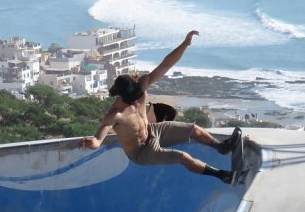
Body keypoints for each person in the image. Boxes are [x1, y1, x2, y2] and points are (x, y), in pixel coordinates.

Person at [79, 30, 240, 183]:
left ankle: (221, 147)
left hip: (152, 131)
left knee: (195, 130)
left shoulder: (140, 86)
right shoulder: (115, 115)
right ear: (121, 96)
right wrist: (90, 142)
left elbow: (165, 65)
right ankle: (222, 176)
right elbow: (98, 140)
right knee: (183, 157)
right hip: (141, 152)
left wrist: (185, 44)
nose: (138, 98)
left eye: (137, 93)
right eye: (133, 97)